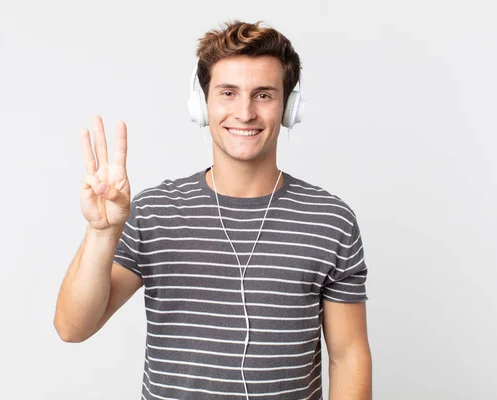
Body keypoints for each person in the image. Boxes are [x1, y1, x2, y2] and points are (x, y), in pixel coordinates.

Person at [54, 20, 372, 400]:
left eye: (263, 95)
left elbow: (349, 356)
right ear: (201, 104)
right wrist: (102, 233)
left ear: (289, 107)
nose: (244, 112)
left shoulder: (329, 220)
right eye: (228, 93)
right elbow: (73, 328)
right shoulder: (156, 211)